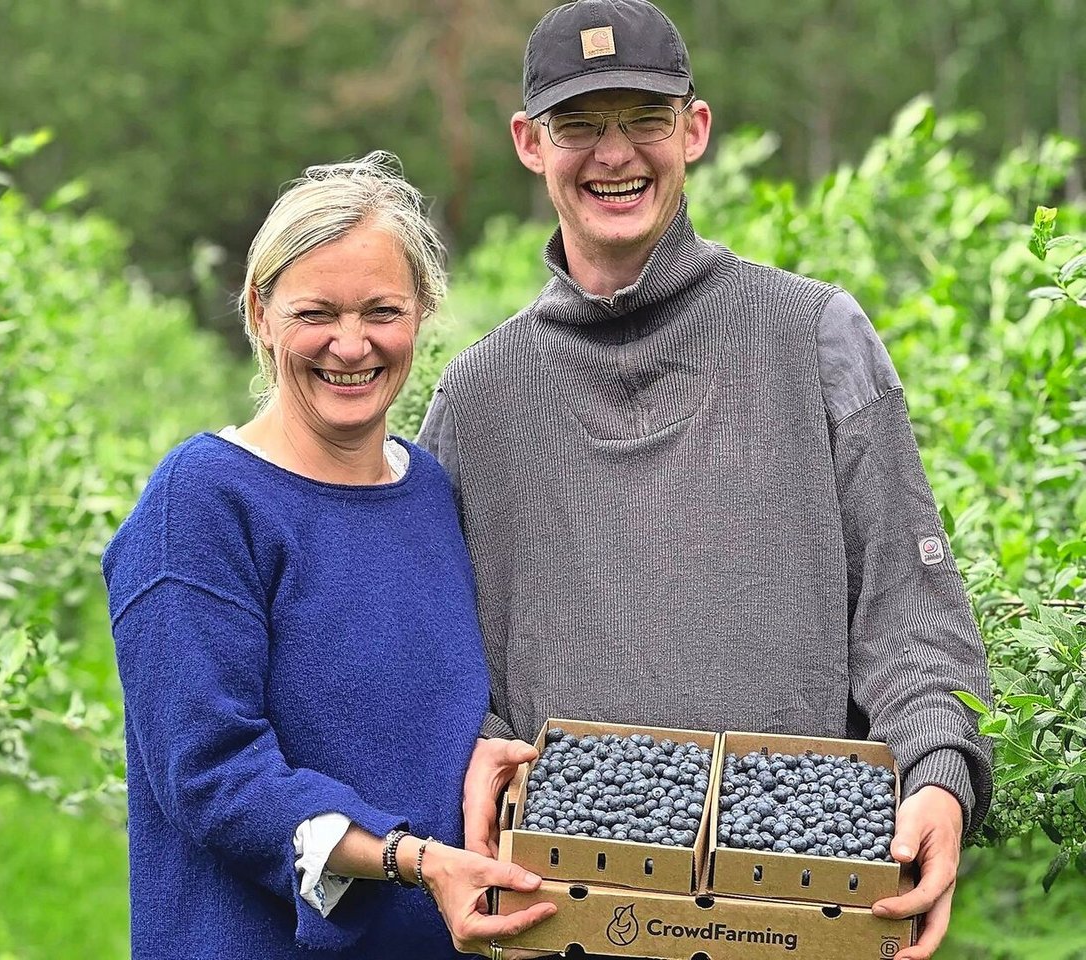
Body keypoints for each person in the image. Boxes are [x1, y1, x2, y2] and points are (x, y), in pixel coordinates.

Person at [417, 4, 994, 959]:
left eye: (644, 117)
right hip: (562, 914)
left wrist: (937, 771)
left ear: (695, 129)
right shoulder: (482, 397)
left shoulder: (814, 339)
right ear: (529, 143)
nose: (614, 153)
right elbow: (435, 650)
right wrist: (475, 736)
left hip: (793, 914)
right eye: (579, 124)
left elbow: (911, 608)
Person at [102, 152, 555, 960]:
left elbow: (431, 718)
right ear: (261, 312)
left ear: (421, 311)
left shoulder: (429, 493)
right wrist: (406, 858)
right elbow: (215, 775)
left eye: (382, 310)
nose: (352, 345)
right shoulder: (204, 502)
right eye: (319, 312)